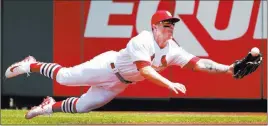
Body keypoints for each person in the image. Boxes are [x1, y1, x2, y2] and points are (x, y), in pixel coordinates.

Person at [5, 10, 234, 119]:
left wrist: (228, 69)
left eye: (172, 24)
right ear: (154, 27)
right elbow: (145, 70)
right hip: (108, 66)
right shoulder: (143, 39)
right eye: (165, 24)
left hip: (119, 84)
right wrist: (169, 83)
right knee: (64, 77)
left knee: (83, 107)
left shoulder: (173, 48)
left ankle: (48, 107)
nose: (170, 27)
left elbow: (197, 63)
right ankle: (31, 64)